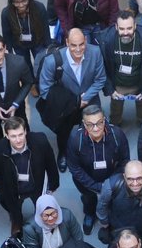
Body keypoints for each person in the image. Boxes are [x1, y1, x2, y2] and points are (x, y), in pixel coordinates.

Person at [37, 28, 108, 168]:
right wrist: (73, 102)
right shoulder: (52, 61)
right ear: (67, 42)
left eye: (81, 44)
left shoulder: (95, 52)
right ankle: (63, 153)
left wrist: (84, 99)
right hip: (65, 105)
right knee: (63, 132)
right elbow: (45, 90)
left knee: (93, 128)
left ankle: (89, 152)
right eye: (73, 45)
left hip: (89, 100)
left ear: (86, 41)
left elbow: (100, 79)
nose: (78, 49)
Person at [0, 117, 59, 236]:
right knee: (14, 208)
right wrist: (2, 191)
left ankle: (40, 221)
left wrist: (53, 184)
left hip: (36, 185)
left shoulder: (40, 141)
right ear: (7, 136)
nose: (18, 140)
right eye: (13, 136)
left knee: (40, 206)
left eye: (21, 134)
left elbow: (50, 163)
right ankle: (17, 222)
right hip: (13, 189)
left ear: (26, 132)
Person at [66, 104, 130, 233]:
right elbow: (74, 167)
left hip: (111, 177)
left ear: (104, 120)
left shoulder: (117, 134)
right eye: (90, 124)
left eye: (99, 123)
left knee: (112, 199)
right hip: (85, 179)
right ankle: (90, 214)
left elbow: (124, 161)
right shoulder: (75, 138)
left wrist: (110, 183)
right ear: (84, 124)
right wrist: (96, 186)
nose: (95, 128)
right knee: (88, 198)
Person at [96, 160, 142, 246]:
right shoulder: (111, 185)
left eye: (139, 178)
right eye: (130, 179)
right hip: (120, 228)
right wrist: (104, 221)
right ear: (124, 177)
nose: (135, 184)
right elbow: (102, 205)